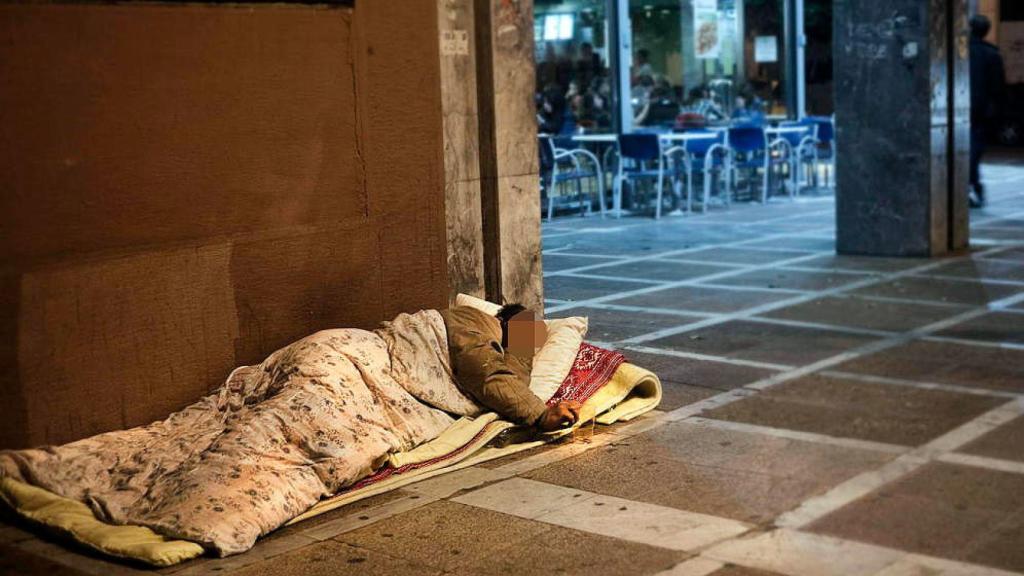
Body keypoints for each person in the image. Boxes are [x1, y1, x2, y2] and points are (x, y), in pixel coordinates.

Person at [440, 304, 581, 432]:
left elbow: (513, 382)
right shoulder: (470, 319)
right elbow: (487, 372)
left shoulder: (491, 342)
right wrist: (541, 415)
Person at [968, 14, 1006, 208]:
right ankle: (972, 183)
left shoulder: (960, 52)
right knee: (975, 146)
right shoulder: (992, 54)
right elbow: (998, 87)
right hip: (981, 109)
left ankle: (970, 183)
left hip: (959, 106)